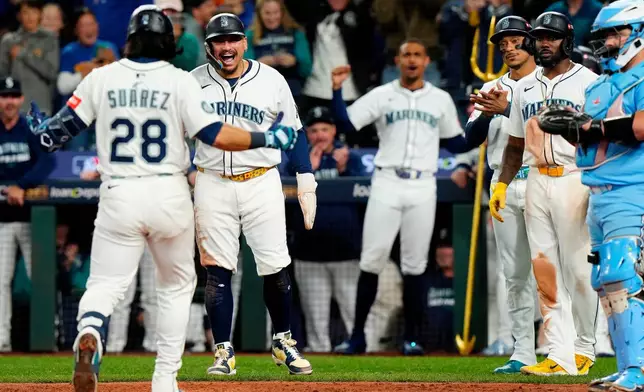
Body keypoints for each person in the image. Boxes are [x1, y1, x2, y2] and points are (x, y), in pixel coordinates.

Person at [26, 5, 299, 392]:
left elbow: (55, 134)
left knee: (104, 284)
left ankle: (90, 330)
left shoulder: (100, 78)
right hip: (168, 194)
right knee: (175, 286)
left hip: (119, 193)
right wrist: (268, 138)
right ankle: (164, 379)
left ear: (130, 39)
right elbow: (216, 135)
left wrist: (42, 130)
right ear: (168, 41)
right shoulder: (180, 80)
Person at [331, 38, 478, 356]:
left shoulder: (439, 99)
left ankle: (413, 338)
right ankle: (357, 337)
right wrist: (336, 92)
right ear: (397, 61)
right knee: (371, 260)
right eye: (406, 54)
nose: (412, 59)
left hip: (423, 185)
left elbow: (457, 144)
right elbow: (346, 123)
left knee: (415, 265)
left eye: (417, 55)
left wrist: (489, 118)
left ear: (427, 61)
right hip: (386, 182)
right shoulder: (383, 94)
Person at [190, 13, 316, 376]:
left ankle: (283, 341)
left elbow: (295, 130)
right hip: (212, 180)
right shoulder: (193, 81)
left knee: (276, 265)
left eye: (232, 39)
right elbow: (177, 131)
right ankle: (223, 352)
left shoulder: (271, 79)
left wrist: (305, 177)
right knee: (217, 271)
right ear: (210, 46)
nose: (226, 47)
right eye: (218, 41)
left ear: (245, 42)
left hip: (261, 179)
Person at [535, 0, 644, 390]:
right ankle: (629, 367)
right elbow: (588, 133)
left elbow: (639, 128)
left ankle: (639, 370)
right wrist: (567, 127)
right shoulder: (600, 84)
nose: (610, 42)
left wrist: (590, 127)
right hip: (597, 191)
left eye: (617, 33)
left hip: (634, 189)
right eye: (605, 36)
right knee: (608, 282)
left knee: (623, 273)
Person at [489, 11, 599, 376]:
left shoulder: (589, 81)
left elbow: (603, 137)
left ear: (566, 40)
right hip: (536, 178)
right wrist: (502, 183)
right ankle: (559, 353)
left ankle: (586, 347)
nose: (544, 42)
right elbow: (515, 144)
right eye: (539, 37)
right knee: (545, 273)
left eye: (551, 37)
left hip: (573, 177)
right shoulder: (523, 87)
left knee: (579, 271)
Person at [466, 15, 539, 373]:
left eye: (515, 41)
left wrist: (507, 109)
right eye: (502, 43)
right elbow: (469, 139)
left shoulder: (548, 83)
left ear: (530, 42)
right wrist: (485, 111)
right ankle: (523, 351)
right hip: (503, 183)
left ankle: (567, 349)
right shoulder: (493, 86)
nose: (509, 48)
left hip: (546, 178)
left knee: (555, 269)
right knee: (515, 273)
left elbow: (553, 130)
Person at [287, 106, 364, 352]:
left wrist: (345, 171)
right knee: (316, 320)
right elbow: (284, 190)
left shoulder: (350, 157)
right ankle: (318, 372)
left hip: (346, 251)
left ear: (334, 131)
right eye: (314, 130)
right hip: (309, 252)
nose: (320, 135)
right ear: (307, 134)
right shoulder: (297, 158)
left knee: (354, 312)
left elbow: (366, 193)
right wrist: (307, 168)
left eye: (325, 129)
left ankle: (363, 356)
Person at [0, 75, 55, 352]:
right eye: (4, 96)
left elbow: (48, 160)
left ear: (20, 99)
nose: (9, 102)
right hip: (2, 219)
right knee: (0, 280)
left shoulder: (29, 127)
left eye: (13, 96)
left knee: (41, 277)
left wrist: (21, 186)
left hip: (34, 218)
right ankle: (2, 339)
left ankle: (49, 336)